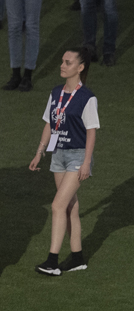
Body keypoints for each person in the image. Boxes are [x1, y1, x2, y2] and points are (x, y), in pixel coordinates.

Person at [30, 48, 98, 276]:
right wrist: (40, 152)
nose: (62, 65)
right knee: (70, 206)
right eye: (62, 61)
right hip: (58, 154)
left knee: (58, 205)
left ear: (80, 68)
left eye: (68, 62)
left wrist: (87, 162)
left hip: (77, 156)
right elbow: (49, 124)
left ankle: (52, 261)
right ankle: (77, 258)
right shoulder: (56, 92)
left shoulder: (87, 98)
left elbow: (91, 132)